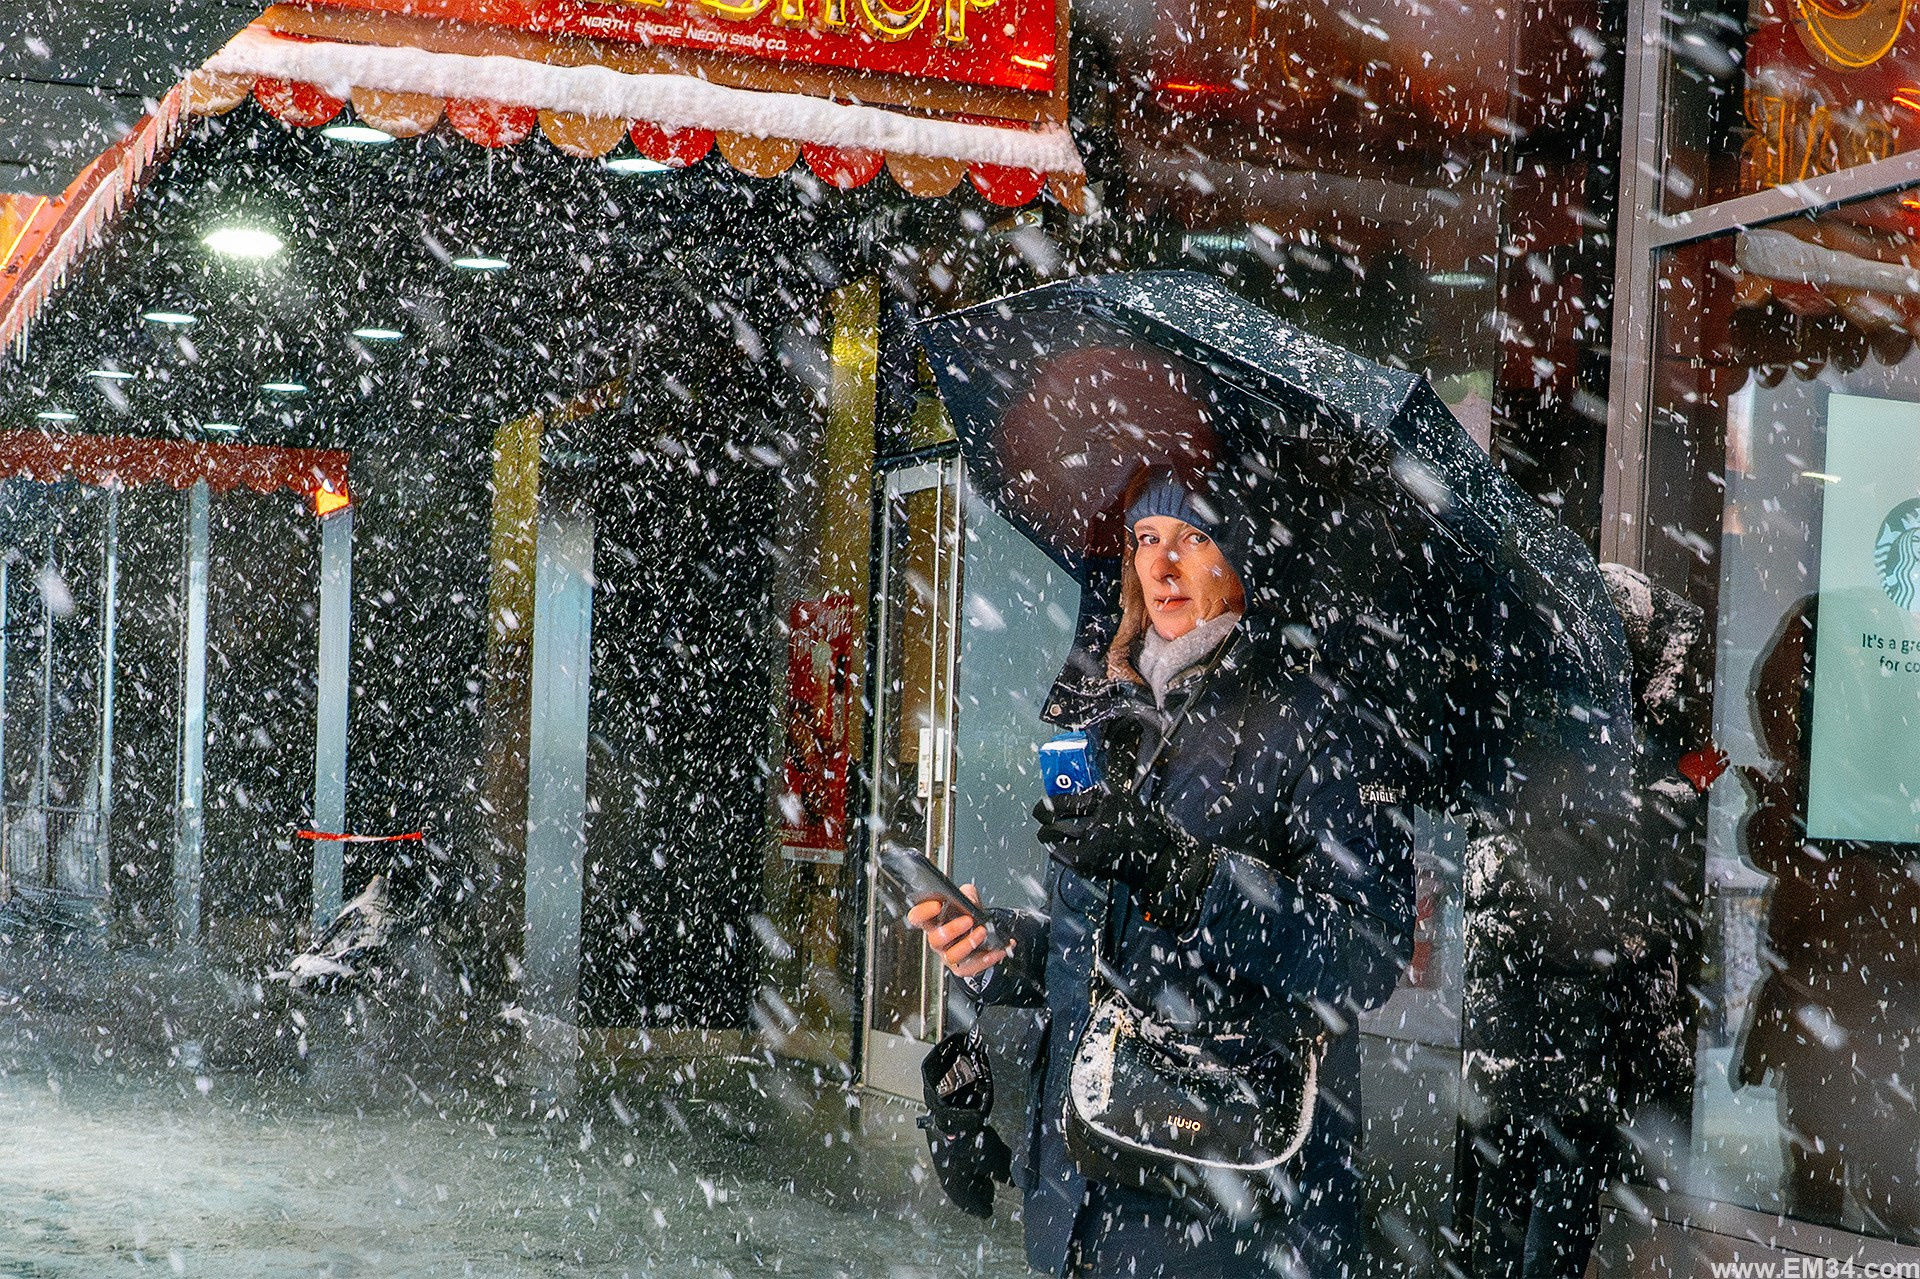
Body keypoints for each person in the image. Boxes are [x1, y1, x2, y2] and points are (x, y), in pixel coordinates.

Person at [908, 466, 1420, 1279]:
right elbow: (1099, 951)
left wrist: (1187, 874)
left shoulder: (1323, 721)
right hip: (1083, 1189)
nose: (1163, 564)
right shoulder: (1110, 709)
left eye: (1194, 537)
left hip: (1230, 1211)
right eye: (1147, 538)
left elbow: (1367, 953)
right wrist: (1006, 946)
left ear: (1243, 558)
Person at [1455, 563, 1711, 1278]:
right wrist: (1680, 786)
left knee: (1522, 1198)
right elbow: (1599, 846)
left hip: (1535, 1009)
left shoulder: (1524, 703)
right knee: (1545, 1199)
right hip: (1556, 1005)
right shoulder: (1570, 726)